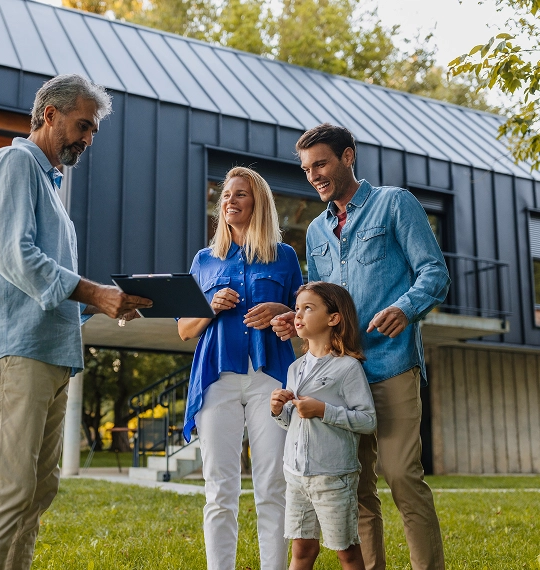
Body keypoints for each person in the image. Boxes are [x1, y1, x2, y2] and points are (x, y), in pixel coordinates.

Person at [0, 74, 151, 570]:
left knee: (36, 492)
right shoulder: (15, 162)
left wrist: (108, 303)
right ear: (50, 115)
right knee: (7, 490)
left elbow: (46, 285)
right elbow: (16, 257)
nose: (88, 138)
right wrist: (95, 292)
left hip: (47, 353)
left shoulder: (50, 183)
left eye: (93, 130)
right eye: (83, 125)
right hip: (13, 352)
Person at [271, 123, 450, 570]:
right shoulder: (315, 230)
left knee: (403, 477)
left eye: (322, 164)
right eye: (307, 169)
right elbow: (321, 299)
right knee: (358, 488)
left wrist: (406, 308)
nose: (314, 175)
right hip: (338, 371)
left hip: (390, 364)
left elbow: (434, 272)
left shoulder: (394, 204)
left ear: (347, 157)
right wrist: (296, 319)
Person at [178, 166, 303, 570]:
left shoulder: (284, 257)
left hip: (271, 378)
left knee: (272, 485)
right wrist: (210, 308)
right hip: (218, 377)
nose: (229, 200)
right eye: (225, 195)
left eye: (240, 194)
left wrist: (284, 311)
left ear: (258, 202)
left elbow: (304, 323)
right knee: (220, 488)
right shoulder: (204, 260)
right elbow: (184, 329)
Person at [270, 281, 376, 570]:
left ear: (333, 318)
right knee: (301, 548)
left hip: (333, 478)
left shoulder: (348, 368)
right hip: (296, 476)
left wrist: (323, 410)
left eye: (308, 308)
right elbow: (292, 423)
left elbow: (367, 421)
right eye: (296, 309)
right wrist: (278, 410)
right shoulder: (295, 368)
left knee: (346, 551)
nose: (298, 315)